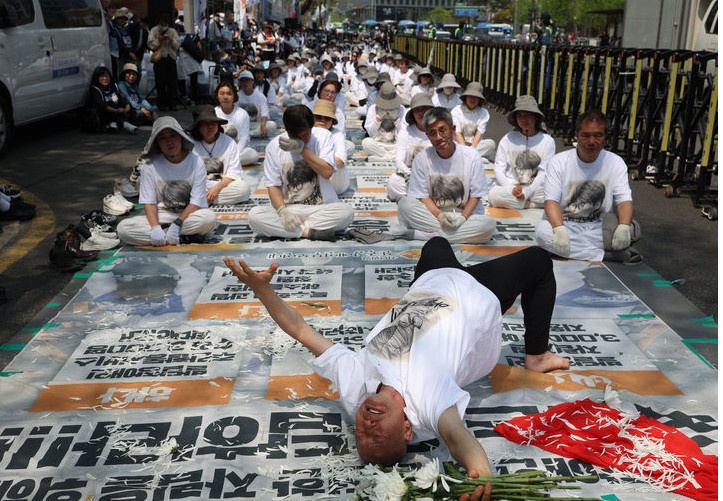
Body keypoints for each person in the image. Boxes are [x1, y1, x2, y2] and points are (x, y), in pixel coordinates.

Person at [222, 236, 569, 479]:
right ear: (406, 430)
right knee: (539, 260)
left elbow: (300, 329)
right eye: (377, 438)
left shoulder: (355, 387)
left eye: (360, 436)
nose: (366, 429)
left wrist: (263, 290)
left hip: (430, 283)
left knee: (436, 244)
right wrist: (481, 474)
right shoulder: (427, 402)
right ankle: (537, 356)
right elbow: (458, 439)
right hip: (478, 293)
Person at [535, 109, 642, 263]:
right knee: (542, 233)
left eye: (598, 135)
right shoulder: (559, 161)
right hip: (565, 225)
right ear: (577, 135)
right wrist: (559, 229)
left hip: (600, 228)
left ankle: (569, 251)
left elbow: (624, 200)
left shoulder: (615, 162)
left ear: (605, 137)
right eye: (585, 135)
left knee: (631, 229)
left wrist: (624, 226)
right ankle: (606, 255)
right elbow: (551, 201)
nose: (591, 142)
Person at [246, 105, 354, 241]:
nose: (301, 139)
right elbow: (273, 186)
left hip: (322, 208)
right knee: (255, 216)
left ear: (311, 127)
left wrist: (302, 149)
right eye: (295, 136)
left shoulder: (323, 136)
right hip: (291, 209)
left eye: (305, 135)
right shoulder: (273, 147)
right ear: (287, 130)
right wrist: (282, 211)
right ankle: (308, 232)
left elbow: (327, 172)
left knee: (346, 212)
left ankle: (293, 230)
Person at [397, 107, 496, 244]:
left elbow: (476, 196)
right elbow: (422, 197)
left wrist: (463, 218)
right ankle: (452, 235)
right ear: (427, 135)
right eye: (433, 133)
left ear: (453, 129)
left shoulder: (472, 156)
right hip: (434, 216)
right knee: (404, 204)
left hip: (465, 216)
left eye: (442, 130)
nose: (438, 137)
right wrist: (440, 216)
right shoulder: (421, 159)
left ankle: (427, 235)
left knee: (488, 225)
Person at [116, 117, 217, 246]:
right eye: (162, 138)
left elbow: (196, 202)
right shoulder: (149, 165)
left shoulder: (196, 162)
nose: (169, 142)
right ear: (157, 143)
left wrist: (177, 225)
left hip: (188, 217)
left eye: (173, 136)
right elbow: (149, 202)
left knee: (209, 218)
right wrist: (155, 227)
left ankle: (171, 235)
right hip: (161, 217)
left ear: (181, 137)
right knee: (123, 229)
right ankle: (183, 237)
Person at [489, 95, 555, 209]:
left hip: (535, 189)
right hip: (512, 186)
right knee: (495, 194)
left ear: (535, 117)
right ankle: (531, 205)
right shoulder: (508, 138)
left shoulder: (547, 141)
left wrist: (527, 192)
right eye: (519, 116)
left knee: (558, 191)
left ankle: (522, 203)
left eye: (527, 115)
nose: (523, 120)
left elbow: (543, 172)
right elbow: (499, 168)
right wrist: (511, 189)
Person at [189, 105, 251, 206]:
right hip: (198, 187)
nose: (210, 127)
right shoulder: (189, 144)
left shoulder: (229, 142)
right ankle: (202, 200)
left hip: (222, 185)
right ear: (197, 127)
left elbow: (233, 172)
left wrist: (216, 189)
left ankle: (199, 202)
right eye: (205, 124)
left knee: (243, 189)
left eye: (213, 123)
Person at [387, 93, 433, 202]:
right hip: (412, 176)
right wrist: (410, 175)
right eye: (417, 110)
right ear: (412, 114)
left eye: (424, 109)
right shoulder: (406, 131)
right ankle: (423, 199)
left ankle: (417, 199)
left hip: (434, 176)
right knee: (394, 181)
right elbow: (399, 160)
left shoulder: (437, 129)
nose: (421, 113)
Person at [213, 81, 260, 166]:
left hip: (237, 150)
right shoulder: (213, 113)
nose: (225, 97)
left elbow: (244, 138)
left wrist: (234, 154)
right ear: (217, 96)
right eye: (222, 94)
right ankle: (225, 163)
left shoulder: (242, 113)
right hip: (218, 150)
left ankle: (221, 164)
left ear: (234, 96)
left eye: (229, 94)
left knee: (253, 155)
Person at [312, 99, 353, 194]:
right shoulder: (307, 132)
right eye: (318, 117)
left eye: (327, 118)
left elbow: (341, 161)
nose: (322, 120)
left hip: (333, 180)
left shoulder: (337, 134)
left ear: (332, 121)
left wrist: (317, 163)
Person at [451, 81, 496, 162]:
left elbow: (479, 133)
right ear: (466, 97)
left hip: (474, 145)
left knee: (491, 144)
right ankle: (474, 158)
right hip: (459, 143)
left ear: (480, 99)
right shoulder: (456, 110)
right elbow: (457, 133)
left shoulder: (484, 113)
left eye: (476, 97)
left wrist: (471, 149)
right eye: (470, 96)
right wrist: (465, 150)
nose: (473, 99)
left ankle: (467, 157)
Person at [362, 82, 406, 162]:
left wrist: (396, 121)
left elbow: (403, 134)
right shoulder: (373, 109)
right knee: (366, 142)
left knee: (409, 147)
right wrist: (377, 121)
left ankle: (383, 158)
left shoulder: (401, 109)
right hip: (379, 144)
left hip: (395, 144)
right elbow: (372, 134)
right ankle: (391, 157)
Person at [87, 66, 138, 134]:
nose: (105, 78)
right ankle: (124, 124)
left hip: (118, 110)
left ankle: (114, 125)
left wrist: (127, 107)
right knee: (109, 105)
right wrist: (116, 110)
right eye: (102, 76)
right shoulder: (95, 89)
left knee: (129, 106)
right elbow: (101, 104)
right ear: (97, 78)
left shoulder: (114, 86)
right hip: (105, 112)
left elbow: (122, 97)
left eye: (106, 76)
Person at [148, 13, 181, 111]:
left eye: (166, 22)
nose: (164, 24)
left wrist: (170, 40)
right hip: (160, 59)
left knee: (172, 82)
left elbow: (177, 45)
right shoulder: (154, 30)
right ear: (159, 22)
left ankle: (172, 103)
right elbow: (150, 45)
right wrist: (159, 40)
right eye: (162, 22)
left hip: (171, 58)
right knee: (160, 82)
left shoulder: (172, 31)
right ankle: (162, 104)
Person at [236, 70, 278, 137]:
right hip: (241, 124)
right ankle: (251, 134)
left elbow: (264, 113)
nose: (245, 83)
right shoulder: (236, 96)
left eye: (247, 80)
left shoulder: (260, 96)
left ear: (252, 81)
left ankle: (246, 135)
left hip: (256, 124)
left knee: (272, 125)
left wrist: (263, 125)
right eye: (242, 81)